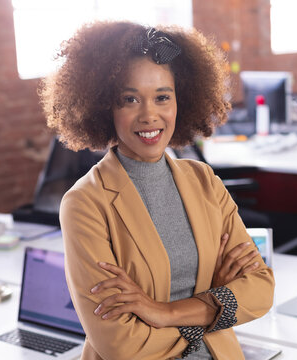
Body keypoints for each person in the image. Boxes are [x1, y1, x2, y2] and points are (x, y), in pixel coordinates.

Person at [39, 20, 275, 360]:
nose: (149, 115)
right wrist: (214, 301)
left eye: (162, 97)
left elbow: (261, 290)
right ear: (106, 106)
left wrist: (162, 312)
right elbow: (122, 345)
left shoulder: (203, 179)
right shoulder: (85, 203)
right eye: (130, 99)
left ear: (181, 100)